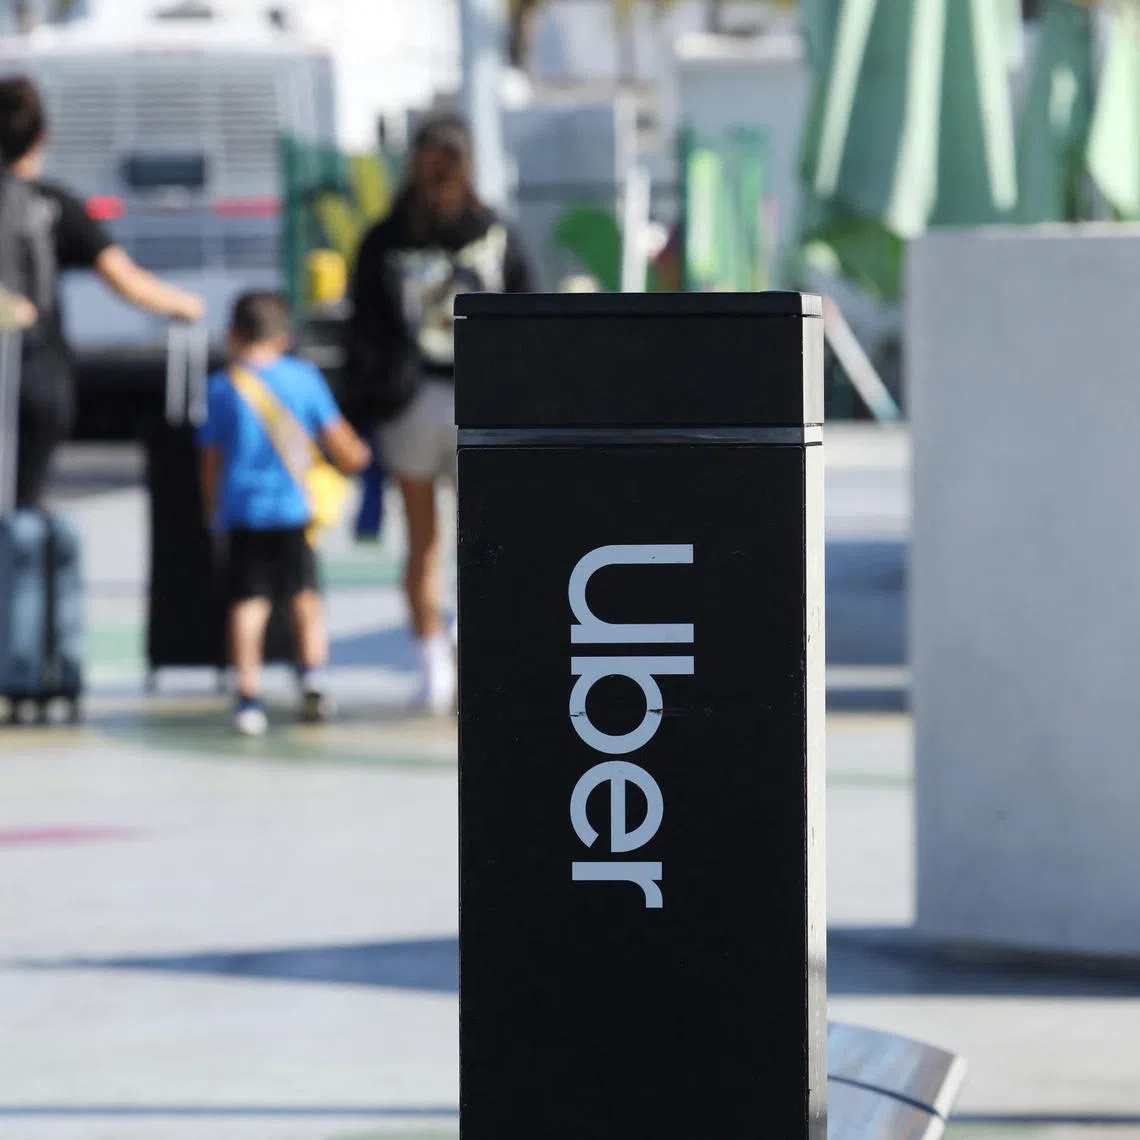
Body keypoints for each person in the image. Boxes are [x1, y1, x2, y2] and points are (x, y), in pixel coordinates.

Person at [344, 114, 535, 714]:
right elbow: (530, 314)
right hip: (483, 400)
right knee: (484, 539)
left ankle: (432, 664)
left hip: (410, 402)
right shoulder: (494, 233)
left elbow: (362, 327)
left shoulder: (385, 238)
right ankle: (467, 650)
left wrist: (370, 398)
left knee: (422, 543)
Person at [0, 76, 204, 509]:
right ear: (41, 138)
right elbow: (126, 281)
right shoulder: (54, 204)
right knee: (21, 507)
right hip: (38, 373)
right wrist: (185, 304)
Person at [198, 292, 370, 737]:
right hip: (296, 509)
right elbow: (342, 443)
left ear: (235, 333)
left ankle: (248, 696)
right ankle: (313, 678)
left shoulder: (222, 386)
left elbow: (211, 459)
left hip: (243, 511)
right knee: (305, 598)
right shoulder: (304, 378)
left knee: (248, 604)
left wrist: (212, 508)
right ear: (284, 335)